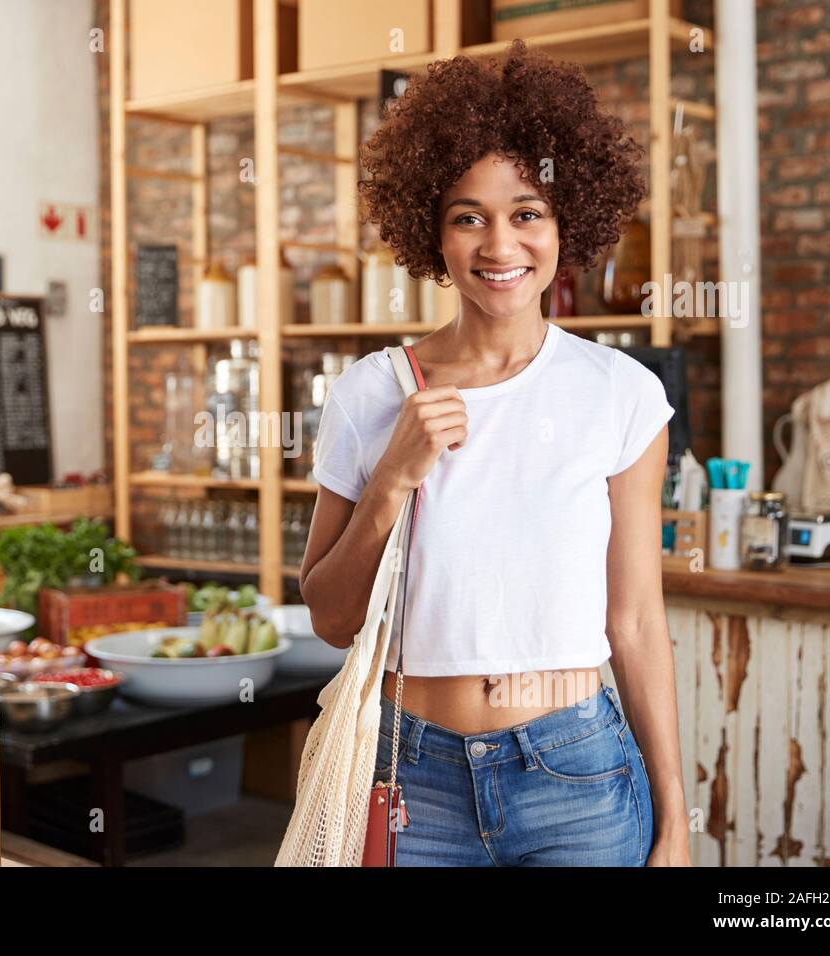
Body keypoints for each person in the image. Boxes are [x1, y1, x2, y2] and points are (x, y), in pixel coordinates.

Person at [300, 40, 689, 866]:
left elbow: (638, 622)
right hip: (412, 780)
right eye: (467, 215)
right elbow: (331, 620)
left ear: (566, 222)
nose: (498, 244)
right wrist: (393, 478)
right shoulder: (371, 394)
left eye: (527, 213)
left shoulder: (619, 394)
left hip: (577, 779)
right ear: (431, 233)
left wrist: (677, 820)